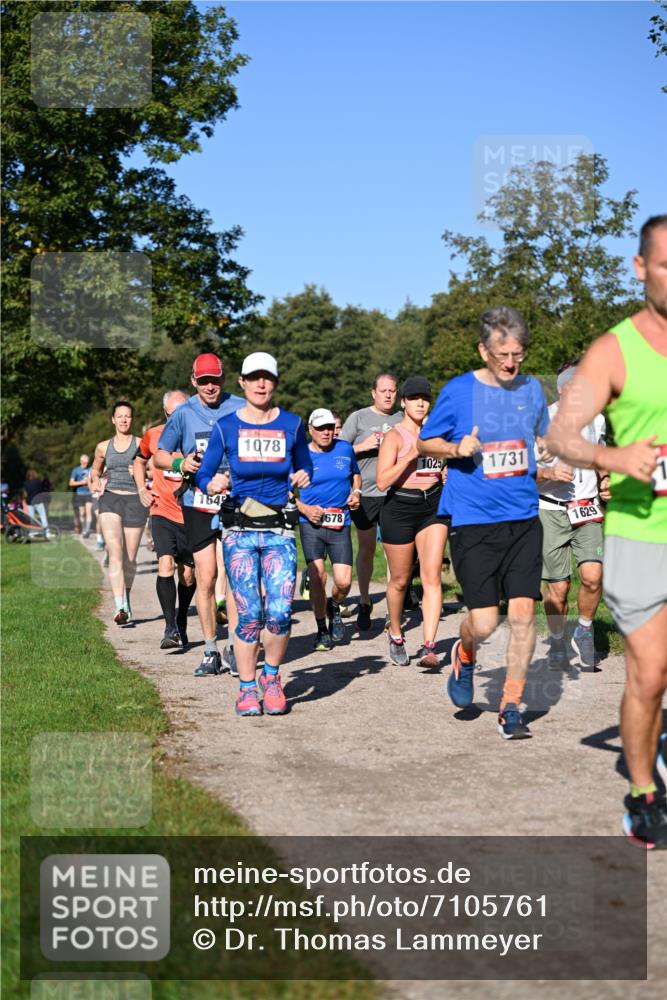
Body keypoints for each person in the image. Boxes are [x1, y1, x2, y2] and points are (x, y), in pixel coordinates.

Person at [547, 214, 667, 848]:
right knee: (650, 672)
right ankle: (644, 791)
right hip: (639, 532)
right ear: (640, 268)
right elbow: (561, 435)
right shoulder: (614, 349)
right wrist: (616, 458)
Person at [417, 306, 550, 740]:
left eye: (519, 354)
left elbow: (541, 436)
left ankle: (511, 704)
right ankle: (465, 651)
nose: (511, 363)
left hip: (525, 517)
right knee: (486, 621)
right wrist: (457, 449)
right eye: (502, 354)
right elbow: (425, 442)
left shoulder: (531, 390)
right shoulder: (459, 392)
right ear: (483, 349)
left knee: (525, 614)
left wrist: (547, 448)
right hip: (474, 522)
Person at [195, 351, 313, 717]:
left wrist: (303, 475)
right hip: (239, 531)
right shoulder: (225, 427)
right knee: (248, 613)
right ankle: (247, 687)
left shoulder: (292, 424)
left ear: (275, 383)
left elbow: (304, 462)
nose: (261, 384)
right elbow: (203, 473)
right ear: (243, 383)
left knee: (279, 611)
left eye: (268, 377)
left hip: (279, 529)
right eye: (254, 377)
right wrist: (210, 480)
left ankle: (272, 679)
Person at [154, 353, 244, 677]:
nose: (210, 386)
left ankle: (235, 646)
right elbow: (160, 455)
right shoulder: (183, 414)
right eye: (203, 380)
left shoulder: (240, 407)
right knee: (205, 577)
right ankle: (210, 649)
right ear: (194, 381)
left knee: (234, 576)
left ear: (224, 378)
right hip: (198, 500)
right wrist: (182, 463)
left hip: (234, 500)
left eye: (215, 379)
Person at [537, 361, 610, 670]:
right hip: (552, 510)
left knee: (593, 577)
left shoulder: (598, 419)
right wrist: (550, 471)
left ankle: (583, 630)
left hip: (587, 508)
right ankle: (556, 641)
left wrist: (605, 482)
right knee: (559, 586)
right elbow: (527, 472)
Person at [377, 376, 448, 667]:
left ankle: (429, 646)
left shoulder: (439, 433)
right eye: (414, 398)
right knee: (401, 580)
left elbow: (447, 464)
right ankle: (396, 634)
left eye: (425, 398)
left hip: (432, 505)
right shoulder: (395, 436)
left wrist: (447, 473)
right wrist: (413, 453)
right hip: (399, 507)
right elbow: (382, 481)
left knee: (432, 577)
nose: (420, 403)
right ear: (403, 402)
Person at [134, 391, 197, 650]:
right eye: (173, 414)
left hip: (192, 513)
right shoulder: (154, 435)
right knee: (165, 564)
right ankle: (170, 628)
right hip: (162, 510)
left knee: (189, 576)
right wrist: (141, 489)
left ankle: (181, 617)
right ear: (165, 414)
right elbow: (139, 460)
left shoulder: (200, 433)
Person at [296, 408, 361, 651]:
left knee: (344, 583)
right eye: (321, 428)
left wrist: (356, 492)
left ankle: (333, 604)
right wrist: (304, 509)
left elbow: (356, 474)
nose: (326, 432)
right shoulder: (299, 454)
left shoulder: (344, 449)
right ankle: (321, 629)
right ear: (310, 430)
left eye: (330, 428)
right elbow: (285, 490)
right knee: (318, 576)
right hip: (311, 523)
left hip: (339, 522)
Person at [341, 374, 402, 631]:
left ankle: (392, 608)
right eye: (383, 390)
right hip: (365, 493)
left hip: (395, 494)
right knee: (366, 549)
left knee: (393, 555)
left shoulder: (403, 418)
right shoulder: (358, 417)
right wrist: (363, 445)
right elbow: (338, 450)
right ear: (373, 393)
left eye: (392, 391)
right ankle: (365, 601)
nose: (388, 395)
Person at [90, 401, 147, 625]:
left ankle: (127, 598)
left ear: (132, 420)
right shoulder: (103, 447)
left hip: (134, 500)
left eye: (128, 416)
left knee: (130, 558)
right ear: (113, 419)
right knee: (115, 553)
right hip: (111, 498)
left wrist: (142, 471)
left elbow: (154, 469)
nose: (124, 420)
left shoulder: (142, 444)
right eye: (120, 416)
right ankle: (119, 606)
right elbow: (95, 470)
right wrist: (95, 482)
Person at [69, 454, 93, 537]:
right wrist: (81, 482)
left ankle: (87, 530)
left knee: (89, 512)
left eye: (87, 463)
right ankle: (83, 528)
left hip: (89, 493)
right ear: (81, 462)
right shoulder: (76, 470)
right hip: (80, 494)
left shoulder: (91, 469)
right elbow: (71, 483)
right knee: (82, 513)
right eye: (84, 463)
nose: (85, 465)